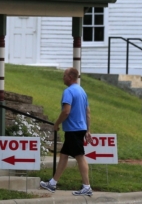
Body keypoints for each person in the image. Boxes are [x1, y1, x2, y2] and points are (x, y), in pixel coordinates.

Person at [40, 67, 93, 196]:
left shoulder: (68, 92)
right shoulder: (82, 91)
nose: (63, 78)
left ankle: (87, 187)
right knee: (64, 155)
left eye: (64, 75)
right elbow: (88, 112)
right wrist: (88, 130)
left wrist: (57, 123)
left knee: (80, 156)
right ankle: (52, 183)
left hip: (73, 130)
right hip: (79, 128)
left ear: (70, 77)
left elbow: (66, 111)